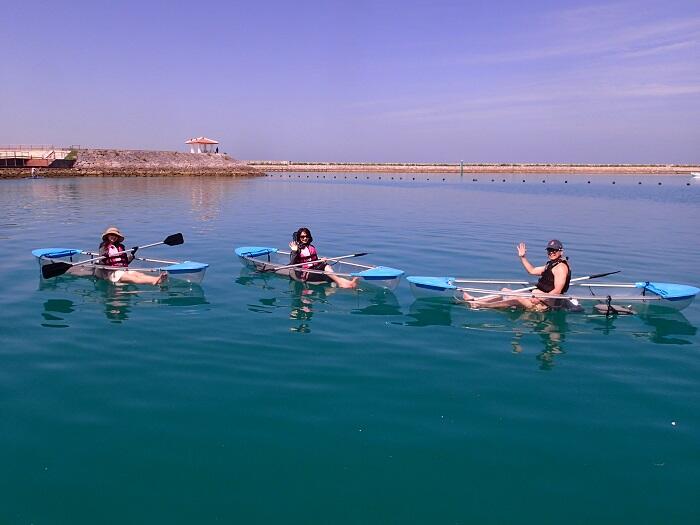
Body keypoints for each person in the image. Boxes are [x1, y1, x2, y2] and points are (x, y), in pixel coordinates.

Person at [462, 239, 572, 311]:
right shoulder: (551, 265)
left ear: (561, 252)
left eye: (554, 250)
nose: (551, 252)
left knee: (517, 299)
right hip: (537, 297)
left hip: (546, 304)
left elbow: (557, 292)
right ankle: (476, 299)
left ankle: (479, 305)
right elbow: (532, 271)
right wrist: (523, 257)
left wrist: (539, 299)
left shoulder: (561, 268)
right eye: (549, 250)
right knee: (505, 290)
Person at [288, 227, 358, 289]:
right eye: (302, 237)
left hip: (313, 269)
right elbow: (292, 264)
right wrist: (294, 251)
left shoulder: (311, 247)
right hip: (303, 273)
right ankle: (343, 283)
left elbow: (313, 260)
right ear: (299, 238)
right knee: (327, 275)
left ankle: (346, 283)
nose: (305, 238)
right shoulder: (297, 249)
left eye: (307, 236)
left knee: (326, 266)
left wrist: (320, 260)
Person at [96, 226, 167, 285]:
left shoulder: (121, 247)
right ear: (108, 236)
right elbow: (101, 262)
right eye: (111, 235)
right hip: (111, 272)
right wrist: (106, 256)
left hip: (123, 269)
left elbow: (125, 262)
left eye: (115, 235)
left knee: (138, 274)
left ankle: (157, 279)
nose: (113, 237)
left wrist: (132, 254)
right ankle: (153, 281)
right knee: (132, 278)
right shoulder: (103, 247)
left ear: (117, 237)